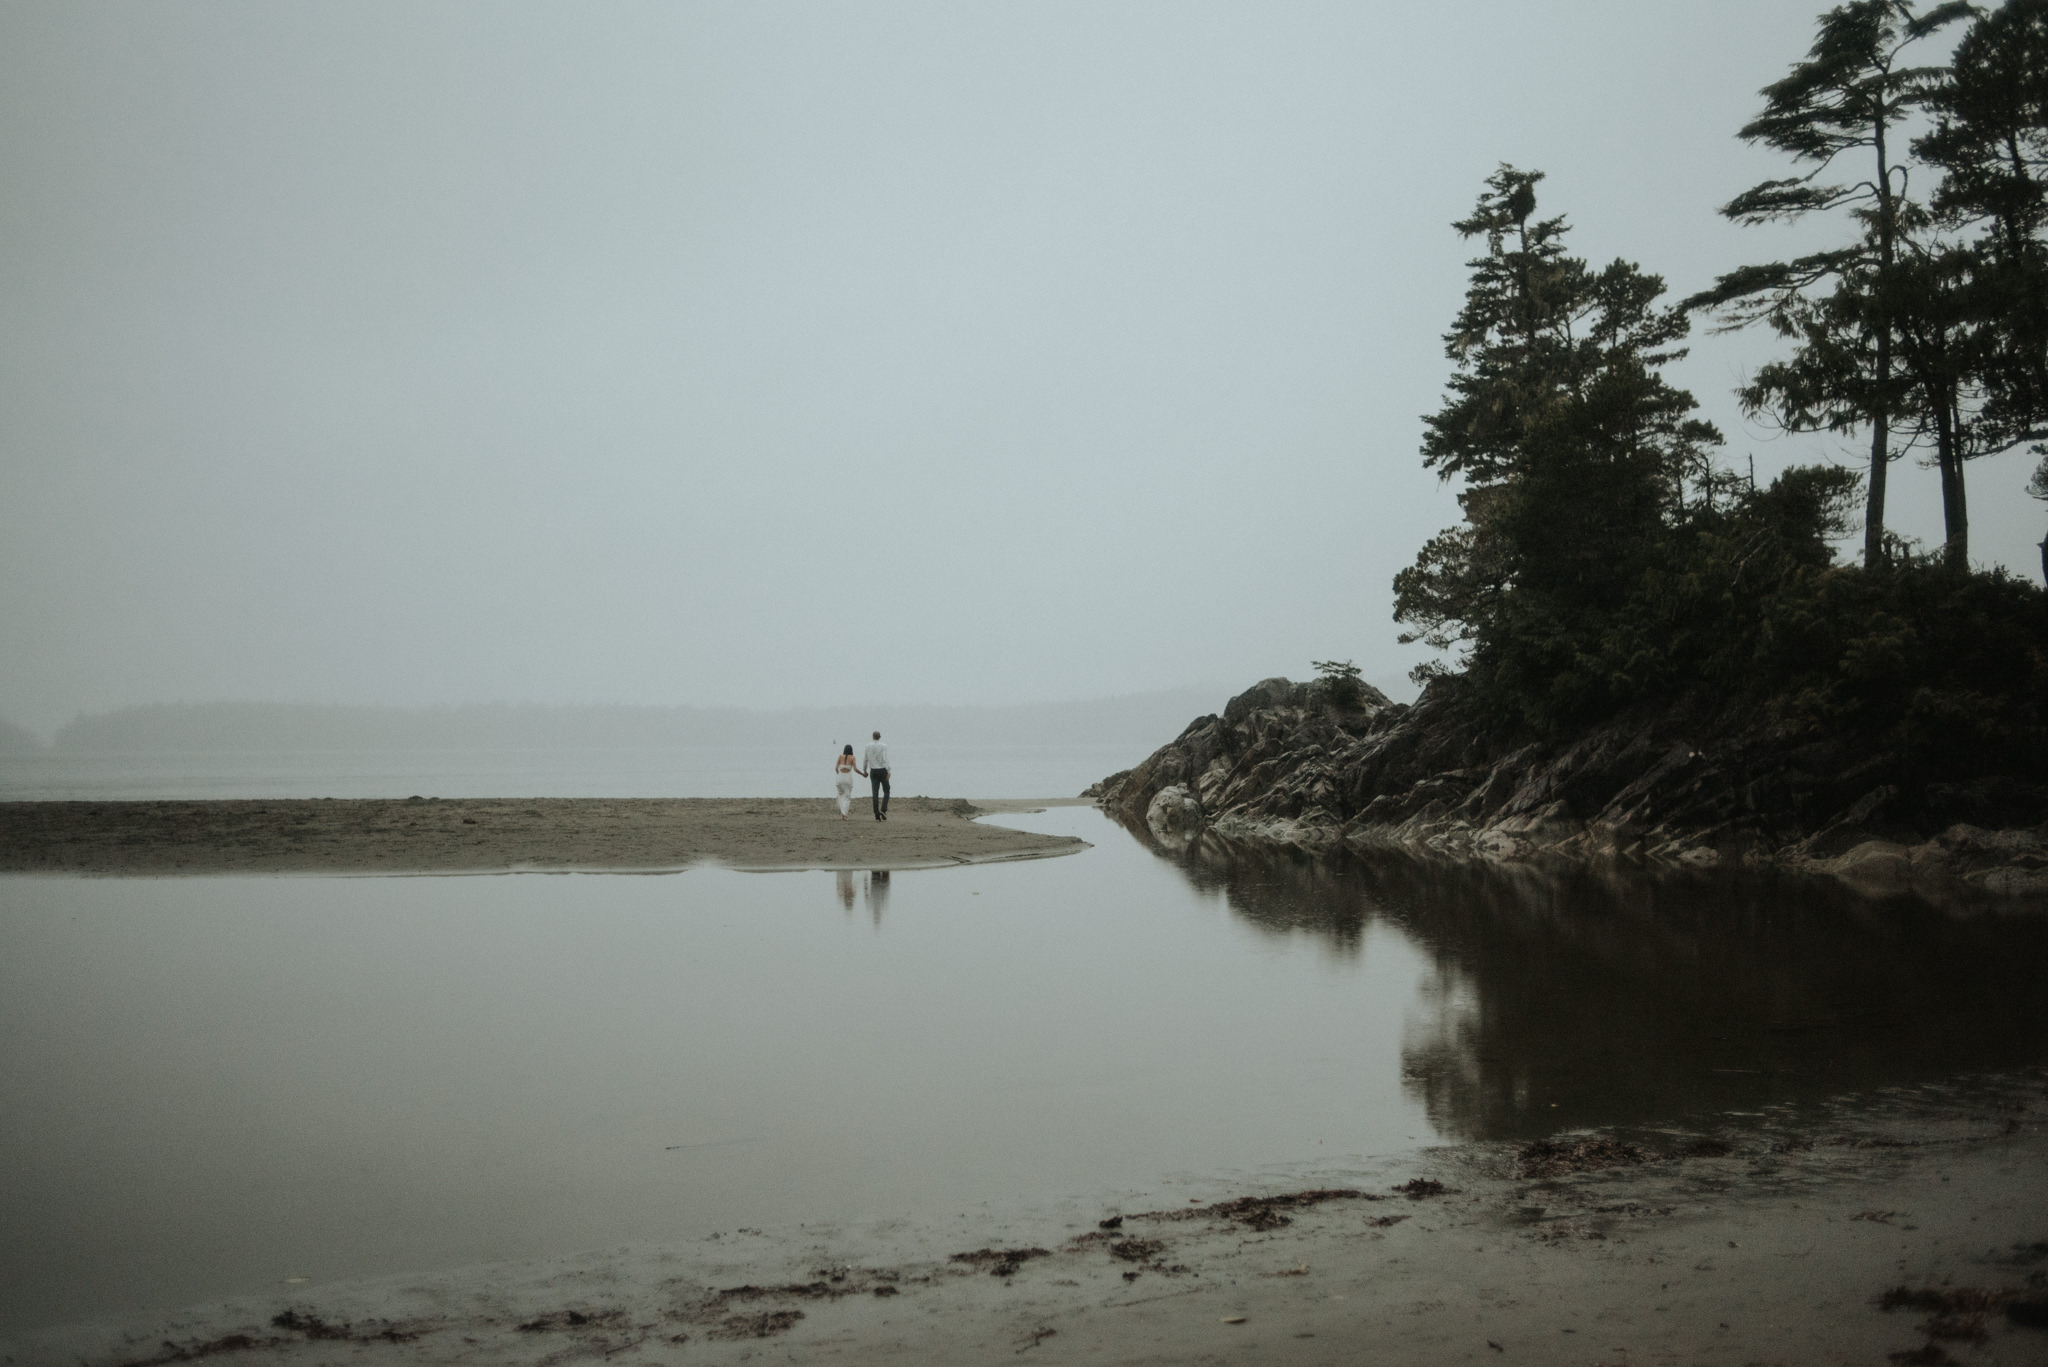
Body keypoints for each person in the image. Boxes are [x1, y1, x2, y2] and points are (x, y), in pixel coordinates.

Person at [863, 730, 891, 821]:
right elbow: (885, 758)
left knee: (875, 792)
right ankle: (883, 809)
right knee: (886, 790)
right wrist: (889, 771)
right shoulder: (883, 746)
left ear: (872, 736)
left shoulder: (868, 746)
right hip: (882, 770)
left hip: (873, 770)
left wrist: (864, 770)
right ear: (880, 737)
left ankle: (876, 814)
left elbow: (865, 759)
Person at [833, 744, 863, 820]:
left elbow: (836, 768)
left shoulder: (840, 757)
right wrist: (863, 774)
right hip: (847, 779)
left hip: (840, 778)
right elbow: (855, 769)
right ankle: (844, 814)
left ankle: (843, 813)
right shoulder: (852, 757)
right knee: (847, 797)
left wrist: (839, 775)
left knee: (841, 795)